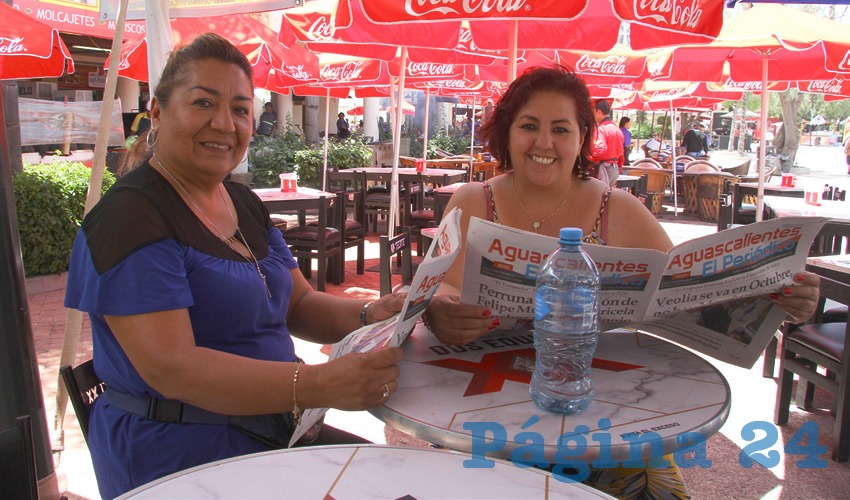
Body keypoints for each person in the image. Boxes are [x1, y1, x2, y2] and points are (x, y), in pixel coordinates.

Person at [422, 64, 821, 500]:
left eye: (561, 128)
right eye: (529, 126)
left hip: (604, 408)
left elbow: (683, 289)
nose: (544, 143)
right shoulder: (472, 201)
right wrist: (439, 310)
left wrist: (778, 294)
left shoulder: (620, 209)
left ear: (582, 138)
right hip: (483, 404)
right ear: (507, 133)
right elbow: (442, 289)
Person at [65, 34, 405, 499]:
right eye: (204, 102)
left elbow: (299, 303)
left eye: (241, 109)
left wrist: (373, 314)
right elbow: (172, 368)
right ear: (158, 113)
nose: (225, 123)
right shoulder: (131, 216)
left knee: (402, 483)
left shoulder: (242, 201)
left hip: (274, 430)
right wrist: (317, 384)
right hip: (180, 452)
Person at [589, 99, 624, 187]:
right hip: (614, 169)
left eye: (594, 112)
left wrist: (587, 160)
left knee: (598, 198)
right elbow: (621, 155)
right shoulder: (617, 129)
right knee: (608, 198)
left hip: (604, 169)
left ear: (599, 112)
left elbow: (599, 150)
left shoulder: (601, 129)